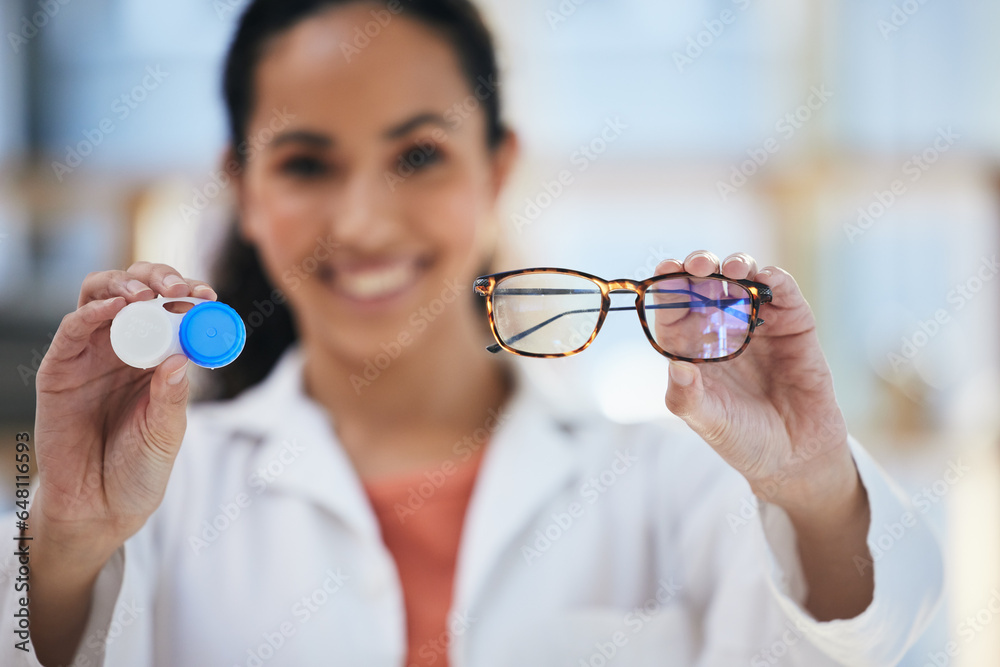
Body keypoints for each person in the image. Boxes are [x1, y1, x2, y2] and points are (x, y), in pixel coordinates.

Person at [2, 0, 943, 665]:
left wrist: (815, 486)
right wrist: (67, 542)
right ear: (243, 187)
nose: (364, 222)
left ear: (497, 173)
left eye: (419, 155)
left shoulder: (674, 484)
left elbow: (876, 635)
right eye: (305, 162)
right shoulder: (159, 501)